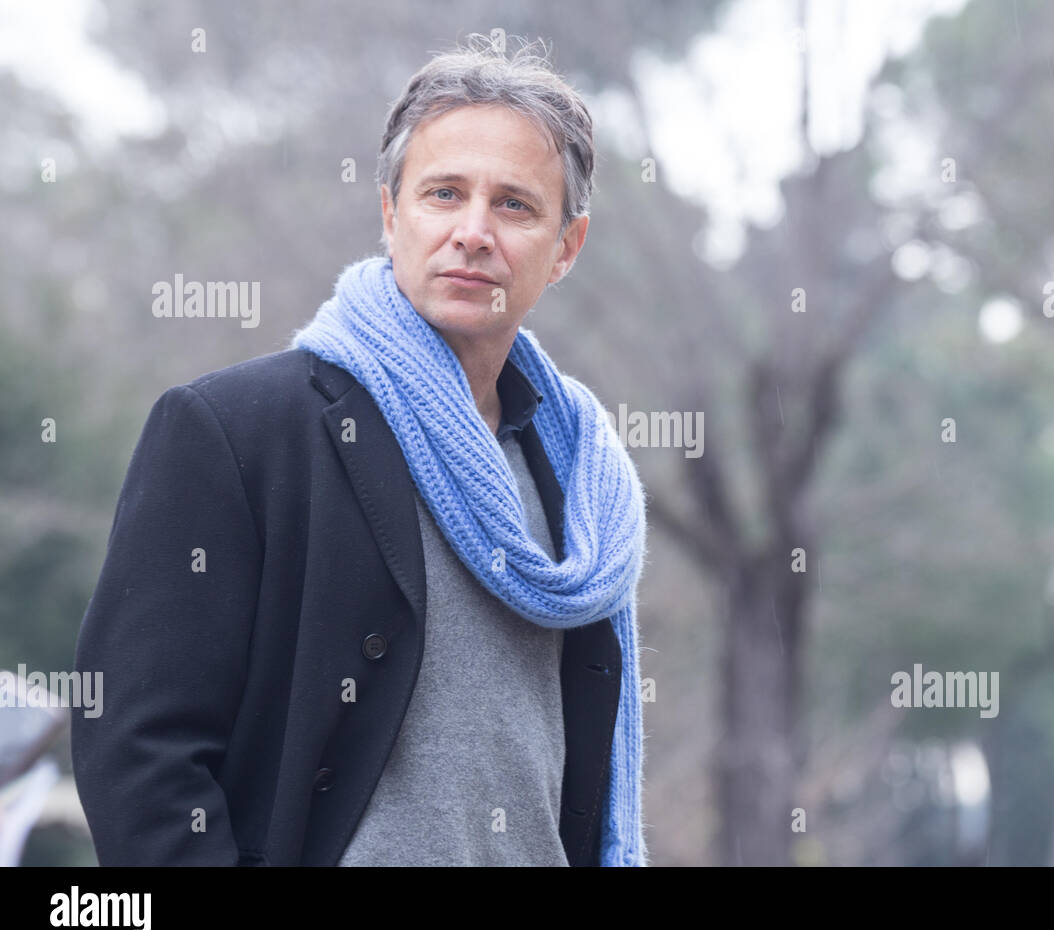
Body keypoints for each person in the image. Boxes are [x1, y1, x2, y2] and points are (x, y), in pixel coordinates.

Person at [70, 34, 649, 867]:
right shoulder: (237, 430)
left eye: (515, 205)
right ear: (390, 214)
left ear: (566, 247)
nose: (473, 233)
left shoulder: (584, 484)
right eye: (443, 194)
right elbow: (137, 752)